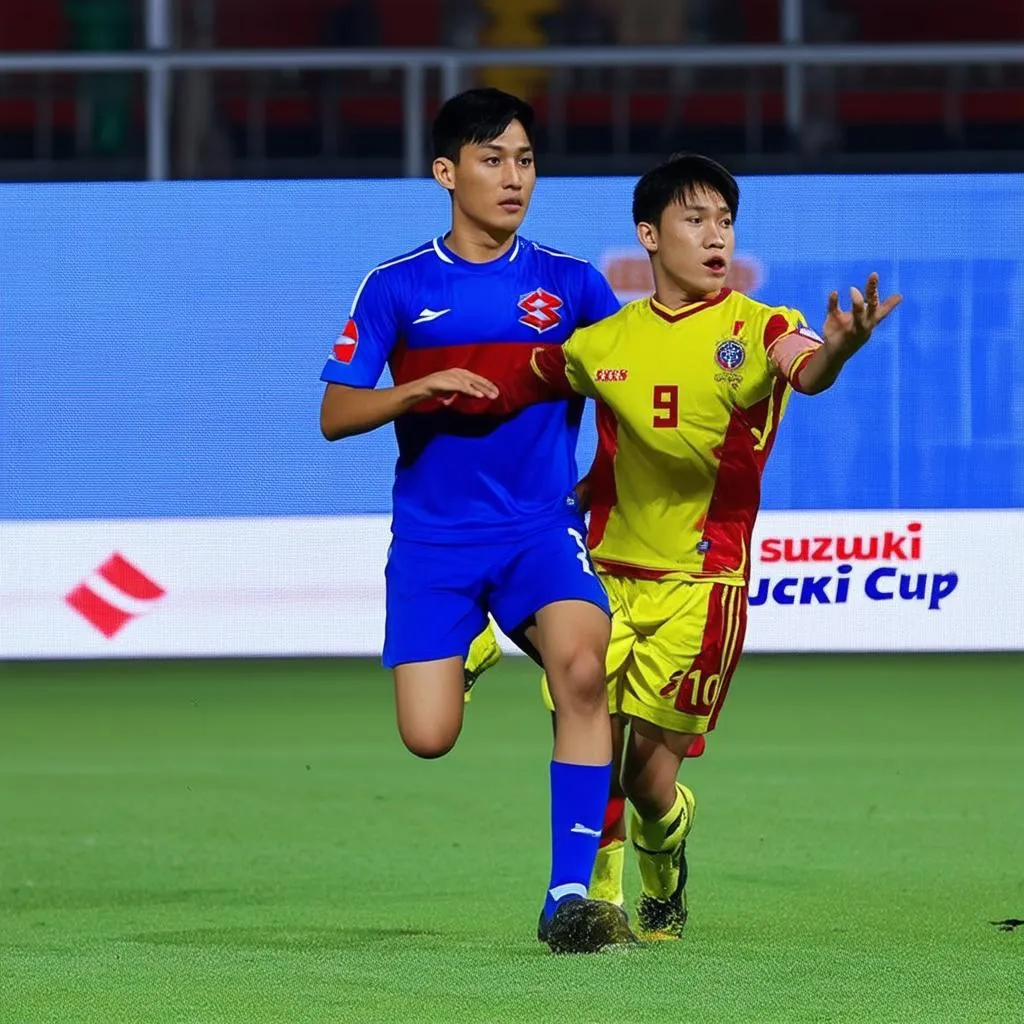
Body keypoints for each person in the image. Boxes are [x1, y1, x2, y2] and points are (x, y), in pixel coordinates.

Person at [444, 152, 902, 938]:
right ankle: (601, 906)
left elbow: (810, 370)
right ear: (650, 234)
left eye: (725, 221)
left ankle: (668, 856)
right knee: (591, 744)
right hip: (604, 580)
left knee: (649, 781)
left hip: (701, 586)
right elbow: (521, 385)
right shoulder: (605, 342)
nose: (716, 235)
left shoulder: (761, 328)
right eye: (696, 219)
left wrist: (843, 347)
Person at [318, 88, 635, 953]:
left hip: (540, 528)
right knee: (427, 738)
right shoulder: (397, 286)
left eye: (526, 159)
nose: (513, 177)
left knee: (581, 668)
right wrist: (418, 389)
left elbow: (628, 390)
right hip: (433, 542)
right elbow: (336, 413)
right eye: (492, 160)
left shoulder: (573, 283)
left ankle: (567, 897)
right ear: (445, 172)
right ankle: (472, 649)